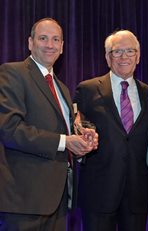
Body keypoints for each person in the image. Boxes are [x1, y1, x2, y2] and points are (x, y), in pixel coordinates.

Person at [0, 18, 98, 230]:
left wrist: (82, 140)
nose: (50, 45)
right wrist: (65, 141)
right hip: (24, 201)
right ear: (30, 43)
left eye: (56, 39)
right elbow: (10, 130)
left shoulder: (62, 87)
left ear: (62, 47)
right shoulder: (12, 73)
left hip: (59, 201)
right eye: (43, 38)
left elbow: (65, 134)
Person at [73, 30, 148, 231]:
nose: (124, 57)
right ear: (107, 57)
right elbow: (78, 129)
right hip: (98, 193)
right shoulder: (87, 89)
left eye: (130, 51)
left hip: (137, 194)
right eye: (117, 51)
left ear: (138, 56)